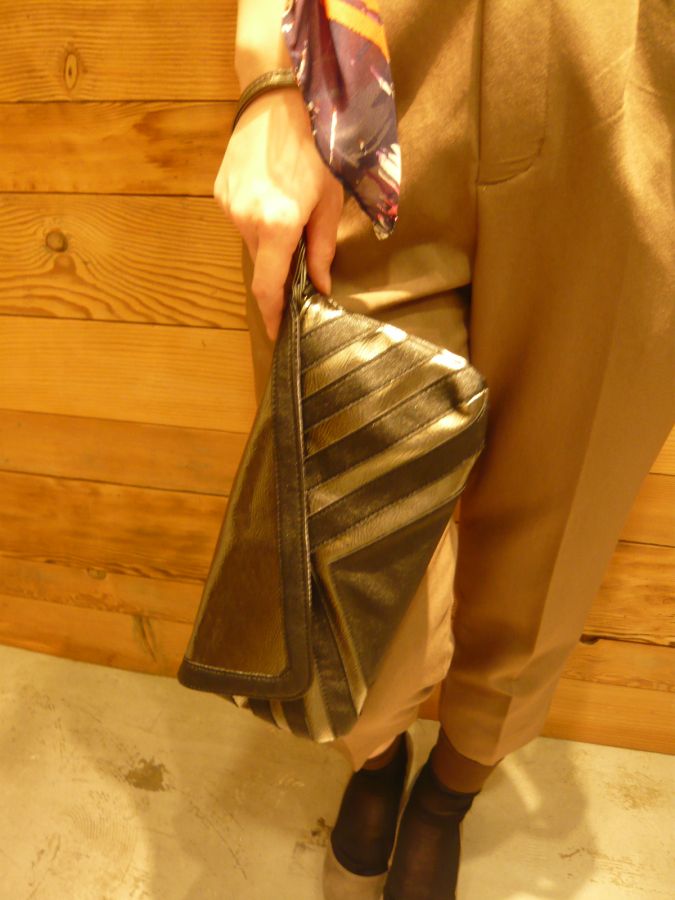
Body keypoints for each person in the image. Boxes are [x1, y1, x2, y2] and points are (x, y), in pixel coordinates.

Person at [213, 1, 675, 897]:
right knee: (346, 554)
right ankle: (374, 755)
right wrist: (273, 73)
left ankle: (449, 790)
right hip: (365, 65)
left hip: (626, 67)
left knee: (550, 544)